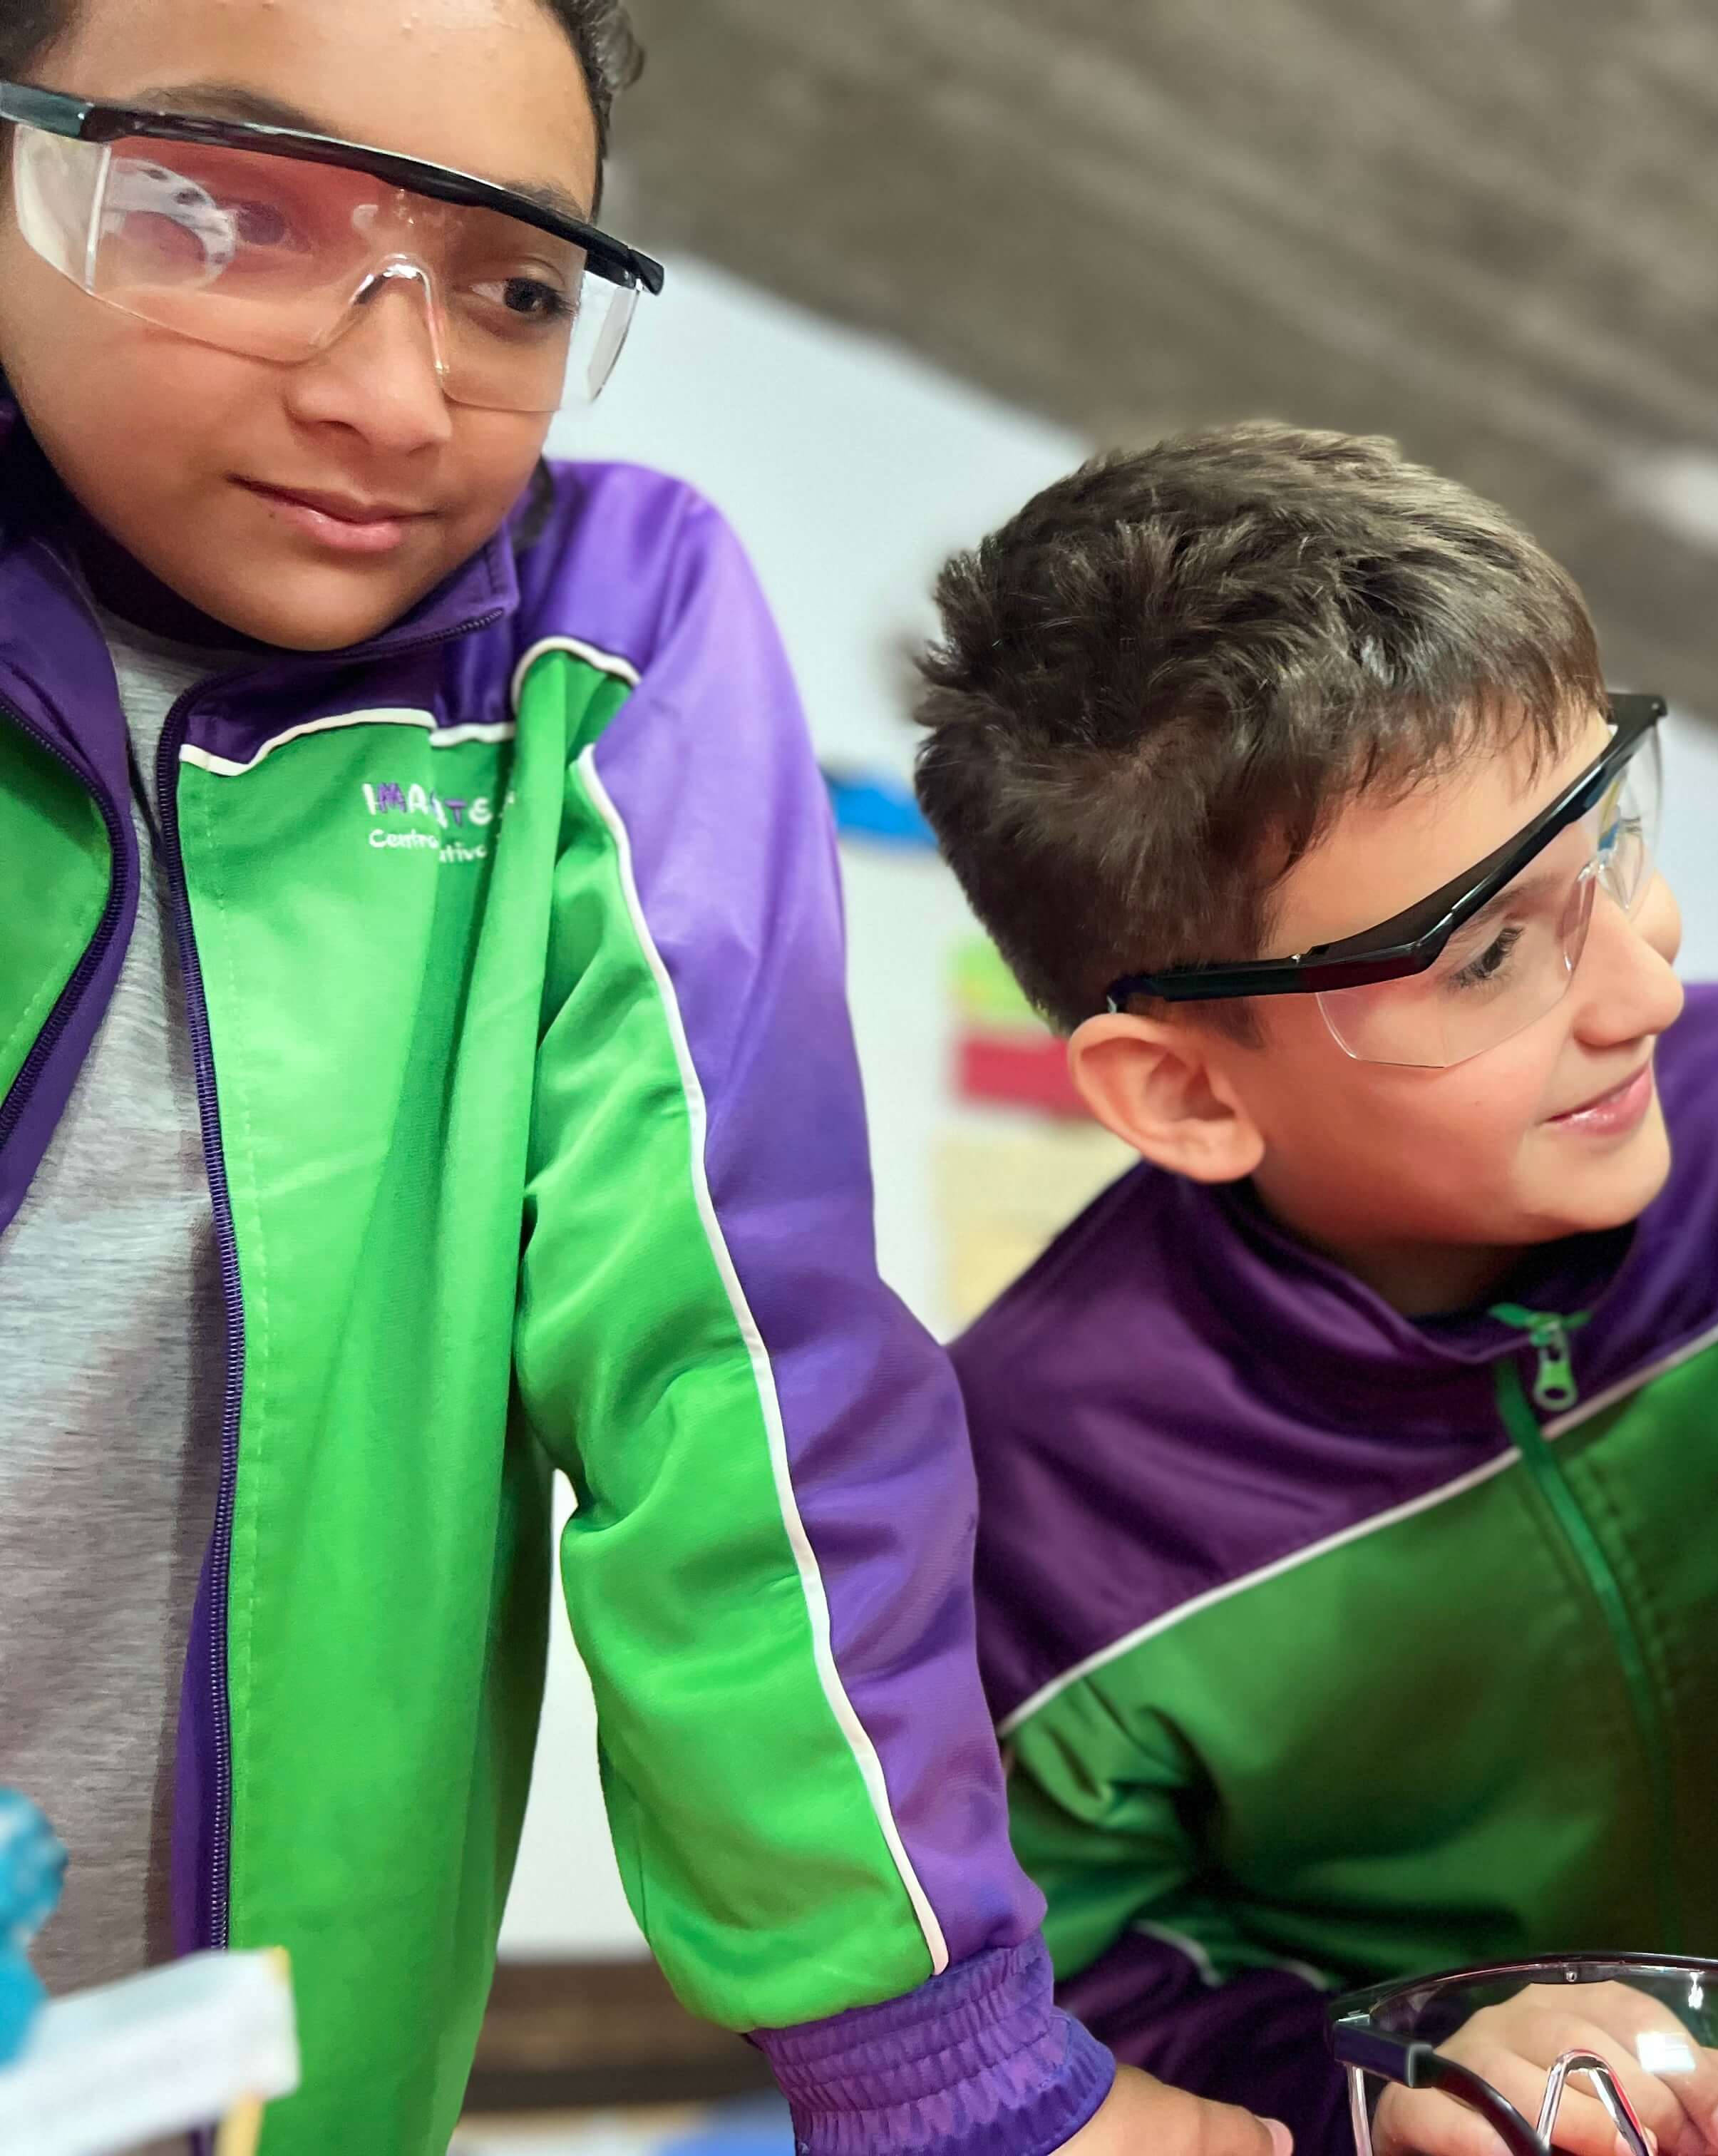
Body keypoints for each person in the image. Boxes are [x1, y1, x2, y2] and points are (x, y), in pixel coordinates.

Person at [0, 3, 1279, 2150]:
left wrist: (946, 2063)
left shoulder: (595, 640)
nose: (394, 395)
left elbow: (733, 1362)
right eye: (230, 214)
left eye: (515, 288)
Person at [911, 421, 1718, 2154]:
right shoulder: (1028, 1481)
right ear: (1190, 1093)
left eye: (1612, 843)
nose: (1646, 991)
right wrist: (1397, 2078)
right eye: (1490, 953)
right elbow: (1086, 1982)